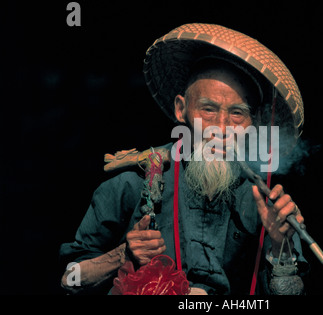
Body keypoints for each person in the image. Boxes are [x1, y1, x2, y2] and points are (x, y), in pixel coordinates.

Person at [59, 23, 308, 295]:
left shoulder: (266, 203)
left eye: (237, 114)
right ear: (181, 110)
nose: (221, 128)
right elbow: (69, 278)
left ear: (253, 123)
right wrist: (123, 255)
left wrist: (280, 248)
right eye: (208, 109)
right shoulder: (132, 182)